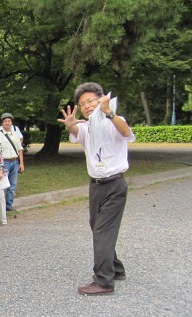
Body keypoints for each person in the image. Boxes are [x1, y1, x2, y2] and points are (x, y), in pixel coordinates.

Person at [58, 82, 135, 296]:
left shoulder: (113, 121)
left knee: (102, 231)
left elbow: (126, 132)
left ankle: (104, 281)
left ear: (102, 99)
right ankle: (116, 269)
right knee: (97, 227)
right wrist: (70, 124)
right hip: (95, 185)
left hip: (115, 184)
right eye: (82, 104)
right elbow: (75, 130)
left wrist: (108, 111)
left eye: (90, 100)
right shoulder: (87, 127)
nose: (87, 106)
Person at [0, 112, 25, 211]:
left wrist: (21, 163)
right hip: (4, 163)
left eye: (9, 121)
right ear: (2, 123)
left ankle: (8, 205)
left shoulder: (15, 134)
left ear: (12, 123)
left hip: (14, 162)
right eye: (5, 121)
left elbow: (19, 149)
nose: (7, 123)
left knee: (12, 185)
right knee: (3, 186)